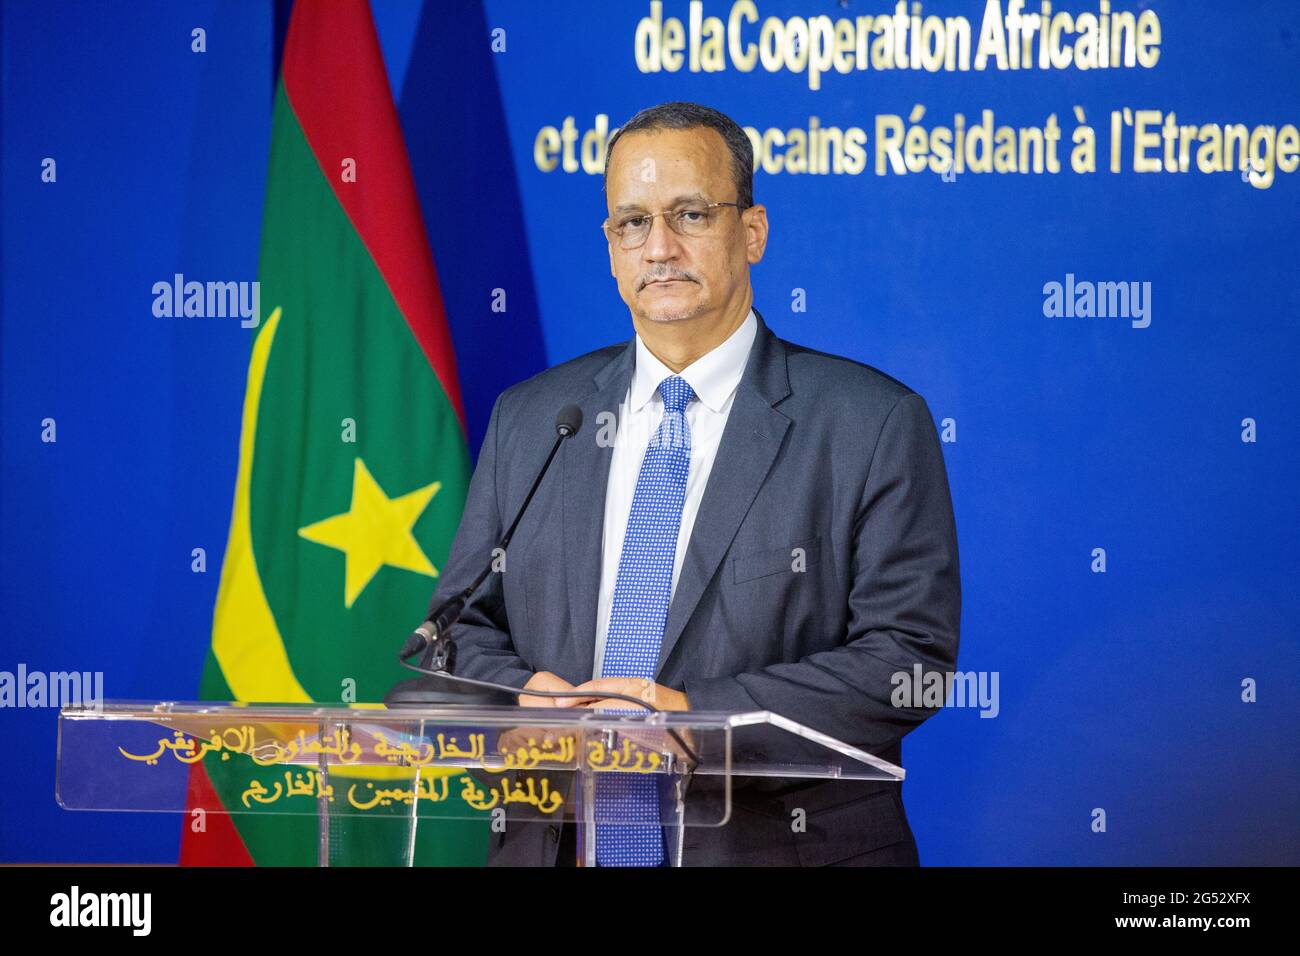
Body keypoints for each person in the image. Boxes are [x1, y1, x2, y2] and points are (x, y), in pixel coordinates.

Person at [425, 101, 961, 866]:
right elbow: (453, 633)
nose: (660, 247)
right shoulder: (537, 418)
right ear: (610, 249)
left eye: (690, 214)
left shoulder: (869, 422)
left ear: (752, 231)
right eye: (631, 223)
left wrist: (696, 718)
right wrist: (521, 698)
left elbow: (909, 662)